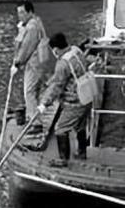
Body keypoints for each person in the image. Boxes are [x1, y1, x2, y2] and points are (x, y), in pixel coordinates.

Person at [36, 32, 90, 166]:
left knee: (60, 129)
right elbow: (63, 77)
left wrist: (44, 103)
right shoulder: (76, 51)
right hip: (87, 95)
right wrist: (50, 81)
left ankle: (63, 160)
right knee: (80, 126)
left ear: (55, 50)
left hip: (75, 101)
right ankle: (82, 153)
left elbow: (57, 86)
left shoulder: (62, 64)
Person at [11, 0, 46, 133]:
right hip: (39, 63)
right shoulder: (36, 21)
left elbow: (26, 47)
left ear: (30, 12)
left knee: (29, 92)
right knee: (34, 92)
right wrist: (21, 29)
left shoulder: (32, 27)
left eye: (22, 12)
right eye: (18, 13)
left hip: (34, 64)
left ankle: (35, 123)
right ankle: (33, 117)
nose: (20, 15)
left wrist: (17, 63)